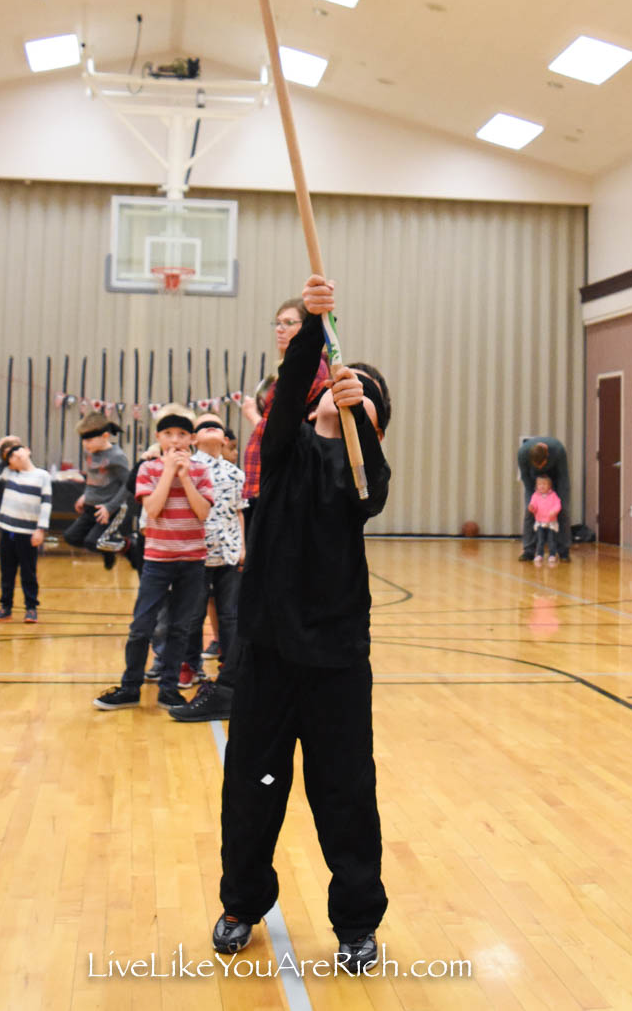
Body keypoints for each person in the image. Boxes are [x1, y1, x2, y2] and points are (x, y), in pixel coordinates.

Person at [211, 274, 391, 975]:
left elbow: (371, 489)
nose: (345, 390)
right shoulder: (282, 452)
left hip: (338, 659)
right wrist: (316, 324)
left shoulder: (360, 470)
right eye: (339, 384)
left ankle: (356, 921)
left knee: (345, 793)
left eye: (364, 392)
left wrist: (362, 413)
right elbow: (287, 395)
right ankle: (241, 902)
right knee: (254, 788)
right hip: (267, 653)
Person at [93, 405, 213, 711]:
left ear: (191, 440)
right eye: (168, 434)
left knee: (180, 628)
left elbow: (202, 512)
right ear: (158, 437)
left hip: (192, 561)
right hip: (158, 560)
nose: (175, 441)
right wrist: (169, 472)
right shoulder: (148, 469)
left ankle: (169, 688)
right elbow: (154, 508)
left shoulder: (201, 471)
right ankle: (130, 687)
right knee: (142, 625)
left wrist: (185, 478)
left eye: (182, 435)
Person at [240, 295, 330, 532]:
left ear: (307, 328)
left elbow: (286, 431)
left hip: (280, 483)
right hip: (264, 480)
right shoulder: (287, 370)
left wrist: (253, 417)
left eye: (289, 323)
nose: (280, 329)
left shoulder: (313, 370)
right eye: (278, 323)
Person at [179, 413, 245, 683]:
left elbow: (238, 513)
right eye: (203, 425)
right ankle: (190, 665)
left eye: (216, 425)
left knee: (229, 614)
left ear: (224, 438)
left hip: (228, 553)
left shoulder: (235, 474)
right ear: (194, 438)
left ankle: (229, 666)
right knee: (193, 615)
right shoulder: (188, 468)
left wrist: (243, 547)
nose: (210, 427)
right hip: (196, 553)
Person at [0, 442, 52, 623]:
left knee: (28, 572)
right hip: (8, 531)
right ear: (9, 464)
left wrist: (41, 530)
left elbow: (46, 504)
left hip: (28, 533)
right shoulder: (9, 473)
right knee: (7, 571)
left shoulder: (42, 476)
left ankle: (31, 607)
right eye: (10, 456)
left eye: (17, 450)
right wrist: (1, 443)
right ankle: (5, 607)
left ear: (28, 451)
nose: (15, 455)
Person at [63, 414, 130, 560]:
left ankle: (128, 546)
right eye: (83, 440)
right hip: (91, 507)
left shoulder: (116, 456)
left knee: (92, 542)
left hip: (108, 508)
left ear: (105, 436)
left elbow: (129, 485)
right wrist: (85, 496)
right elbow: (93, 477)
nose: (85, 444)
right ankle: (107, 550)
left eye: (89, 440)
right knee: (71, 537)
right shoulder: (91, 452)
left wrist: (109, 507)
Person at [517, 436, 571, 562]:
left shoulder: (558, 450)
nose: (540, 468)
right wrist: (534, 502)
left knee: (563, 511)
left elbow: (563, 478)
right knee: (529, 510)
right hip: (535, 480)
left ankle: (564, 552)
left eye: (541, 465)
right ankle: (529, 551)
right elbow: (526, 478)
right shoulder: (522, 454)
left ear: (547, 455)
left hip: (557, 478)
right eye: (537, 465)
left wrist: (559, 502)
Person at [528, 474, 561, 567]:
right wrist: (531, 508)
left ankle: (552, 554)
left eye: (544, 484)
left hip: (551, 522)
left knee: (551, 539)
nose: (542, 486)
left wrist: (554, 511)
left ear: (549, 486)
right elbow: (533, 506)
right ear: (536, 486)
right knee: (540, 539)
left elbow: (558, 505)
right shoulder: (535, 495)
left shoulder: (553, 495)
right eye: (539, 484)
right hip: (540, 522)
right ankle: (539, 554)